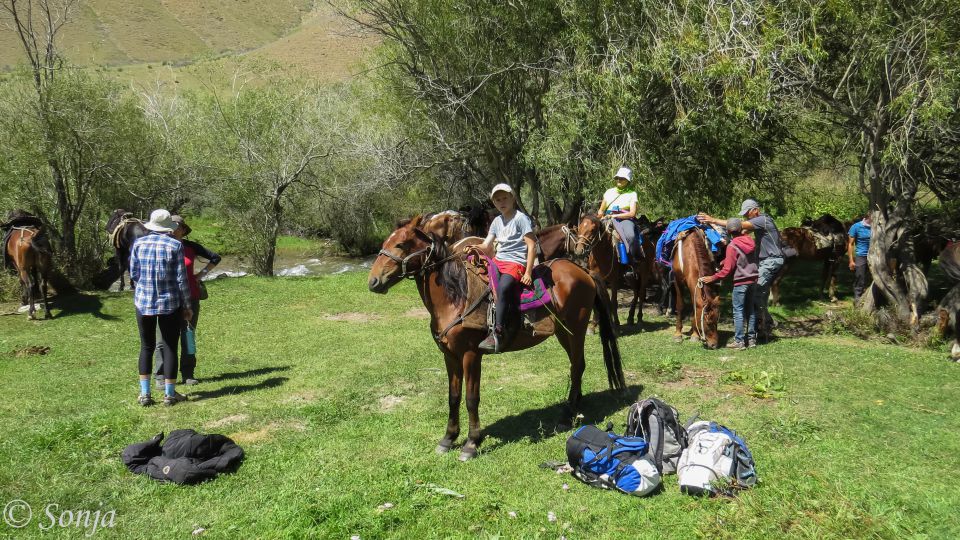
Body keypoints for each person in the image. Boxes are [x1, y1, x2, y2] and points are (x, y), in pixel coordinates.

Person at [698, 199, 784, 343]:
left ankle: (763, 326)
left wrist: (712, 220)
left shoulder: (762, 220)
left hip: (771, 260)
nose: (745, 216)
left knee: (755, 295)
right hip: (766, 261)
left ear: (755, 210)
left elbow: (739, 225)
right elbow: (741, 231)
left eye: (747, 213)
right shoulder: (757, 226)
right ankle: (761, 327)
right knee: (757, 295)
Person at [130, 209, 192, 407]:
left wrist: (146, 287)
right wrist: (187, 305)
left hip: (143, 302)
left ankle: (145, 394)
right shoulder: (175, 245)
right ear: (169, 228)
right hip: (170, 303)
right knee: (170, 347)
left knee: (146, 347)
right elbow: (181, 279)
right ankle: (169, 394)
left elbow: (134, 273)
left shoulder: (138, 243)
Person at [153, 215, 221, 385]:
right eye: (171, 226)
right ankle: (161, 375)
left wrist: (199, 275)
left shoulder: (190, 247)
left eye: (178, 227)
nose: (174, 230)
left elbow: (215, 258)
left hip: (190, 297)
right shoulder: (159, 246)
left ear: (184, 230)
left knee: (188, 335)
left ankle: (188, 373)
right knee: (163, 338)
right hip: (166, 298)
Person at [475, 183, 536, 353]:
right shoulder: (496, 221)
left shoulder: (521, 218)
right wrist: (471, 247)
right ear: (494, 203)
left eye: (504, 198)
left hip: (515, 262)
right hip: (498, 260)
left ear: (512, 198)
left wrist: (528, 272)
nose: (501, 202)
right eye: (497, 199)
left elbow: (532, 246)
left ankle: (498, 331)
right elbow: (487, 245)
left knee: (503, 288)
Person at [700, 218, 759, 350]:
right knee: (750, 310)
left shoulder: (732, 246)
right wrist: (726, 261)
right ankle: (752, 340)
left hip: (741, 282)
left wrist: (713, 278)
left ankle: (739, 341)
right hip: (753, 279)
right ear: (740, 229)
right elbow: (743, 257)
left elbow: (726, 272)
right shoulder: (751, 241)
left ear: (728, 231)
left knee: (738, 311)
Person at [597, 167, 643, 261]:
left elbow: (632, 213)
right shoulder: (609, 192)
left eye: (622, 178)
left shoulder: (632, 194)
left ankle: (634, 259)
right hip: (607, 218)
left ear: (627, 181)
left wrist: (615, 216)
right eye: (617, 178)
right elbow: (601, 210)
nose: (619, 180)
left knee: (630, 235)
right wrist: (599, 217)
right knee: (590, 233)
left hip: (625, 219)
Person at [847, 213, 872, 303]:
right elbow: (850, 244)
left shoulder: (877, 227)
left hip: (874, 255)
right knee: (860, 276)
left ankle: (870, 298)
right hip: (861, 255)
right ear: (868, 216)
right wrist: (851, 260)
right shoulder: (856, 227)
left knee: (873, 277)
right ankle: (857, 298)